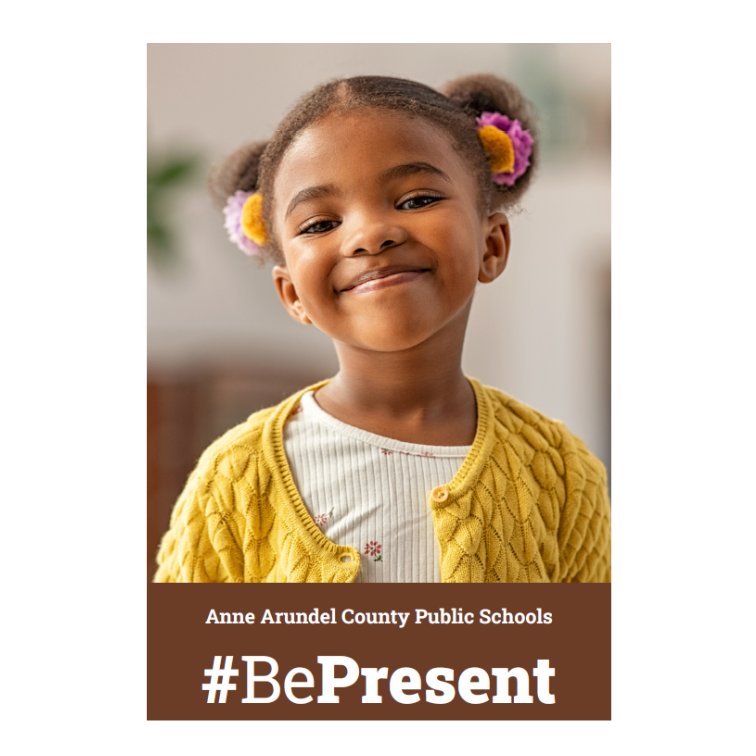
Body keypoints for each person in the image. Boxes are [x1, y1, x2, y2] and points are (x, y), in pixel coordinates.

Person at [153, 74, 610, 584]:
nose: (369, 235)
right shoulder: (233, 480)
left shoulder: (563, 473)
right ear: (291, 294)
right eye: (321, 224)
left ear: (492, 244)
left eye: (415, 200)